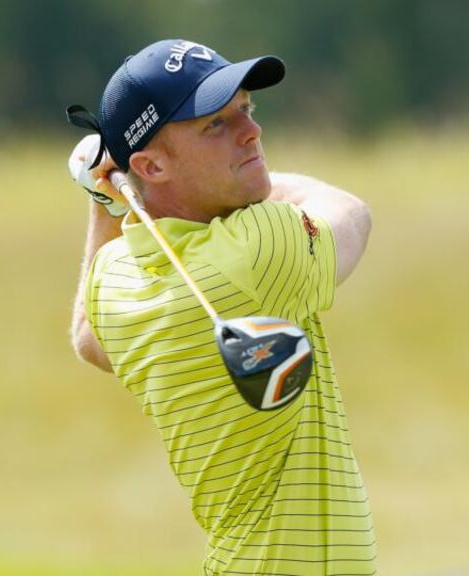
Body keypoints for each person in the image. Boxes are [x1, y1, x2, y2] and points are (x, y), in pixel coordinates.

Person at [68, 39, 376, 575]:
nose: (251, 133)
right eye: (215, 125)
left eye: (246, 110)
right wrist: (251, 179)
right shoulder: (253, 253)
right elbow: (350, 211)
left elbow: (90, 341)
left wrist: (106, 197)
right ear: (152, 165)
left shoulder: (116, 278)